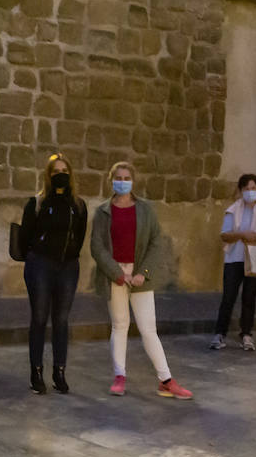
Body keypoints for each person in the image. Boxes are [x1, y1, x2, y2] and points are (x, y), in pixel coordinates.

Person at [89, 162, 193, 401]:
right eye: (118, 177)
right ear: (111, 179)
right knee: (120, 325)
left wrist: (143, 273)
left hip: (139, 278)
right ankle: (119, 376)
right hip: (115, 276)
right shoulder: (103, 211)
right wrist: (117, 273)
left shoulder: (145, 210)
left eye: (126, 177)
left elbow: (156, 242)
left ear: (133, 181)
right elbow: (97, 246)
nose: (122, 181)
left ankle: (166, 380)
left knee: (148, 328)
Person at [18, 153, 87, 395]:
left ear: (71, 174)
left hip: (67, 267)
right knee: (39, 318)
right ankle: (35, 371)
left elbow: (79, 237)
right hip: (40, 266)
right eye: (56, 171)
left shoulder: (78, 205)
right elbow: (25, 237)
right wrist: (40, 255)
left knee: (61, 320)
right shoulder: (37, 203)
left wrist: (67, 254)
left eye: (64, 171)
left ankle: (59, 372)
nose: (61, 175)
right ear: (48, 175)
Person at [210, 173, 256, 352]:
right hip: (234, 258)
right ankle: (219, 333)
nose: (250, 192)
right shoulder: (233, 209)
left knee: (249, 297)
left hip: (255, 260)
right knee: (228, 297)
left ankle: (246, 334)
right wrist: (241, 235)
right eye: (246, 189)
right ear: (240, 191)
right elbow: (224, 234)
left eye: (253, 188)